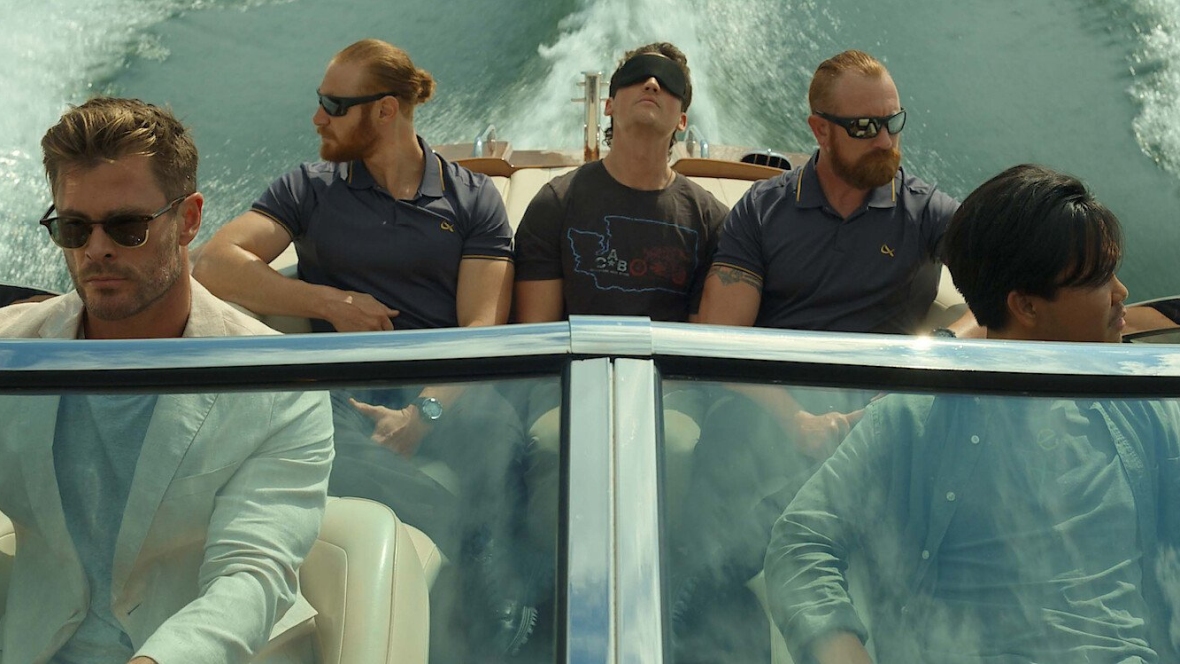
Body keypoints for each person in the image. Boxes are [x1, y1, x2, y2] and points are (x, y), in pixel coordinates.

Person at [192, 39, 532, 655]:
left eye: (333, 105)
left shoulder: (472, 199)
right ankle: (473, 555)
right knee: (304, 431)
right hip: (340, 391)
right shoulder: (310, 187)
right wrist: (330, 303)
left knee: (501, 436)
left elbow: (481, 331)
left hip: (444, 387)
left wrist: (423, 414)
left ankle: (514, 590)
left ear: (385, 110)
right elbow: (214, 263)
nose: (317, 118)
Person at [765, 163, 1180, 664]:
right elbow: (800, 543)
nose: (1122, 293)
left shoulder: (1144, 412)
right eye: (1098, 280)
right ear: (1026, 306)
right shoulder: (915, 418)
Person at [0, 97, 334, 664]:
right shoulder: (15, 352)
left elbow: (252, 573)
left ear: (190, 220)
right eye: (74, 228)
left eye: (127, 227)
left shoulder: (278, 383)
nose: (96, 249)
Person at [512, 41, 727, 557]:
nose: (652, 84)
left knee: (674, 445)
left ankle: (660, 575)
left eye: (668, 83)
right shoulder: (556, 204)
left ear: (682, 119)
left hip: (667, 389)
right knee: (553, 442)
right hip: (571, 378)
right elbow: (538, 335)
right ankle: (546, 578)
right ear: (608, 104)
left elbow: (699, 343)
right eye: (637, 76)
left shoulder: (709, 219)